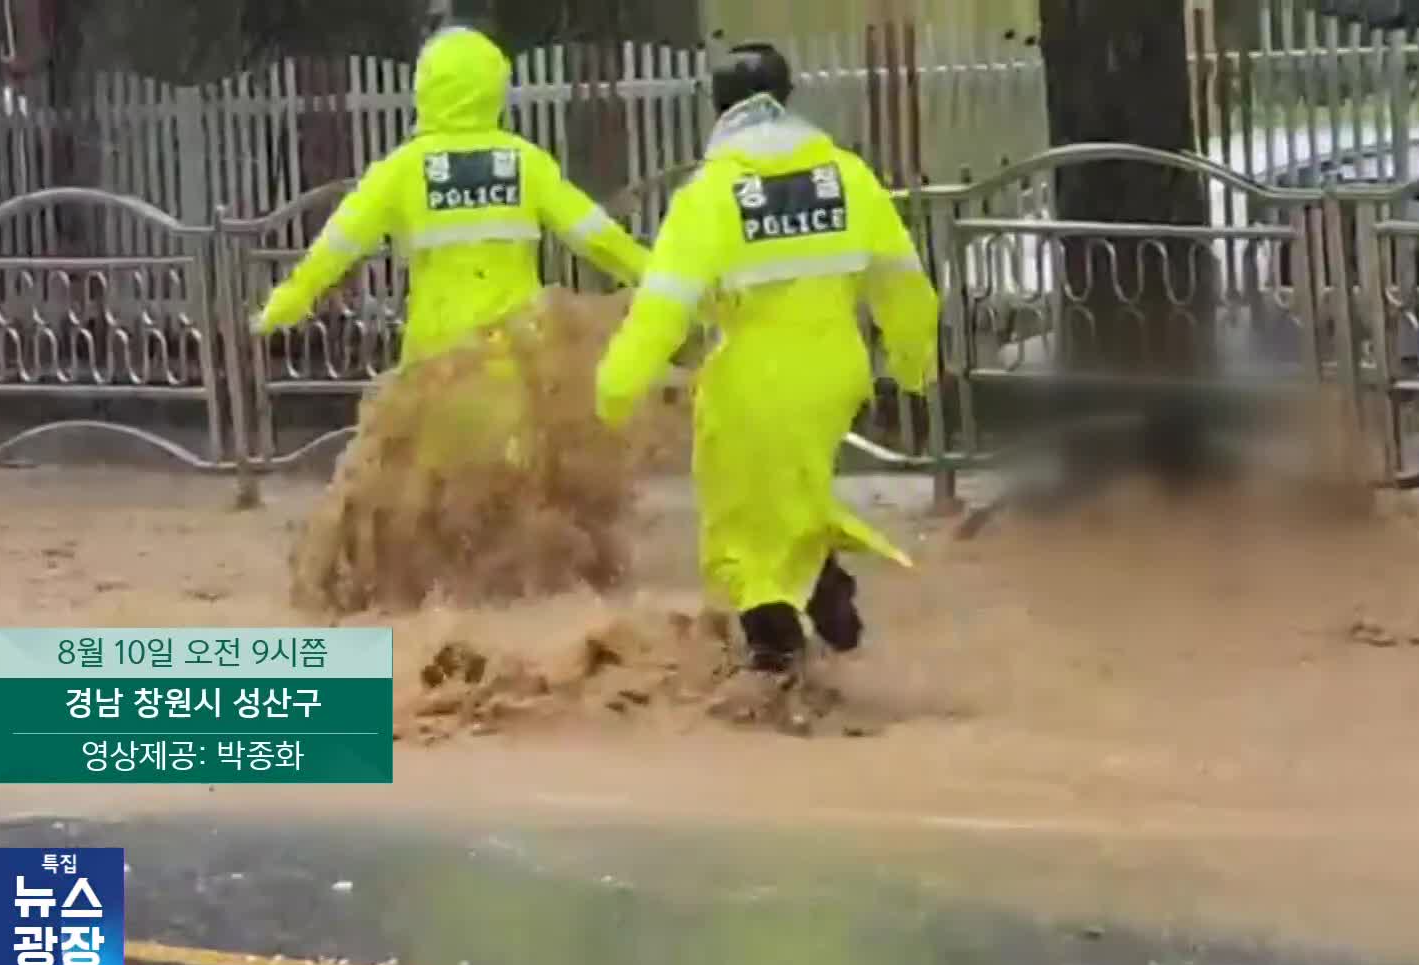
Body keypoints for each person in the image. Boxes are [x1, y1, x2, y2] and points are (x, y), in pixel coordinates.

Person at [593, 43, 941, 682]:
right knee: (793, 491)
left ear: (717, 106)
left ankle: (778, 666)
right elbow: (904, 283)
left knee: (738, 528)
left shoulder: (712, 194)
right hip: (837, 372)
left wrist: (615, 389)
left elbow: (663, 310)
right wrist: (913, 365)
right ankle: (826, 595)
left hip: (754, 380)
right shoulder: (846, 174)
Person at [251, 25, 650, 372]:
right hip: (519, 348)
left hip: (437, 353)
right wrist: (654, 276)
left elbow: (342, 240)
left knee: (437, 457)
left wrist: (293, 295)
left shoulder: (403, 168)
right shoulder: (526, 162)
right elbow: (595, 235)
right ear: (494, 85)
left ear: (425, 87)